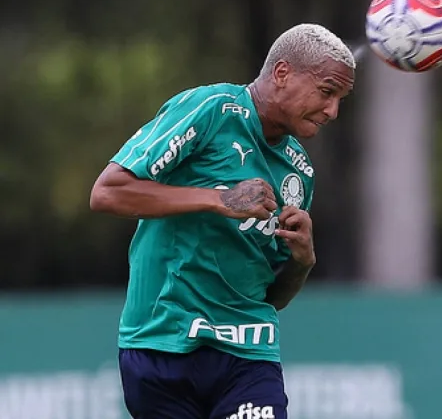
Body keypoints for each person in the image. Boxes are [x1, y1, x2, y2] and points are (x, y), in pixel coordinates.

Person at [89, 23, 356, 419]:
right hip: (161, 343)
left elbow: (271, 298)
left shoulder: (299, 173)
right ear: (282, 74)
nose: (332, 111)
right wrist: (218, 199)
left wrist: (301, 262)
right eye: (326, 91)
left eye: (340, 99)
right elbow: (107, 192)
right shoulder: (211, 110)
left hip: (248, 353)